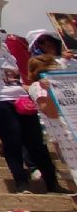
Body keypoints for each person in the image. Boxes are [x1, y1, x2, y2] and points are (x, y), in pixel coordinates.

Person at [0, 33, 65, 194]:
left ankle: (52, 182)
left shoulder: (8, 55)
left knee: (37, 143)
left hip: (20, 100)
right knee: (13, 141)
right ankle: (21, 182)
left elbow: (17, 77)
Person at [27, 55, 77, 183]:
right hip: (65, 131)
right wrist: (48, 91)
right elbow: (50, 113)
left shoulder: (66, 82)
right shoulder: (37, 87)